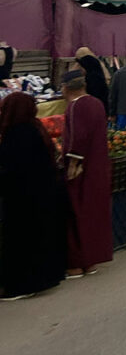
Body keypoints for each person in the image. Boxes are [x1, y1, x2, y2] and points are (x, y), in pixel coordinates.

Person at [0, 92, 67, 300]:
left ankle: (22, 286)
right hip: (43, 194)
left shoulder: (16, 134)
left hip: (22, 198)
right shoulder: (36, 128)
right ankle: (43, 279)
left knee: (21, 241)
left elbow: (11, 169)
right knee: (40, 237)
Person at [60, 71, 112, 277]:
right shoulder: (97, 103)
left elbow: (78, 138)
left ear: (68, 87)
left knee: (76, 213)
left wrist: (73, 163)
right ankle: (92, 261)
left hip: (83, 169)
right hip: (98, 166)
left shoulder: (75, 107)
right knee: (94, 213)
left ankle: (76, 264)